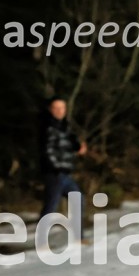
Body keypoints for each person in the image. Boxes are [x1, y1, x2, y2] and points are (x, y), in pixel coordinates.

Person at [38, 96, 87, 232]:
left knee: (78, 200)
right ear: (50, 109)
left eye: (62, 108)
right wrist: (56, 166)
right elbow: (47, 151)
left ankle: (78, 237)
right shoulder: (47, 127)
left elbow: (65, 146)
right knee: (50, 207)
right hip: (54, 173)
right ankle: (41, 242)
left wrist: (77, 148)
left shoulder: (64, 127)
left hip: (65, 173)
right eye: (56, 108)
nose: (60, 111)